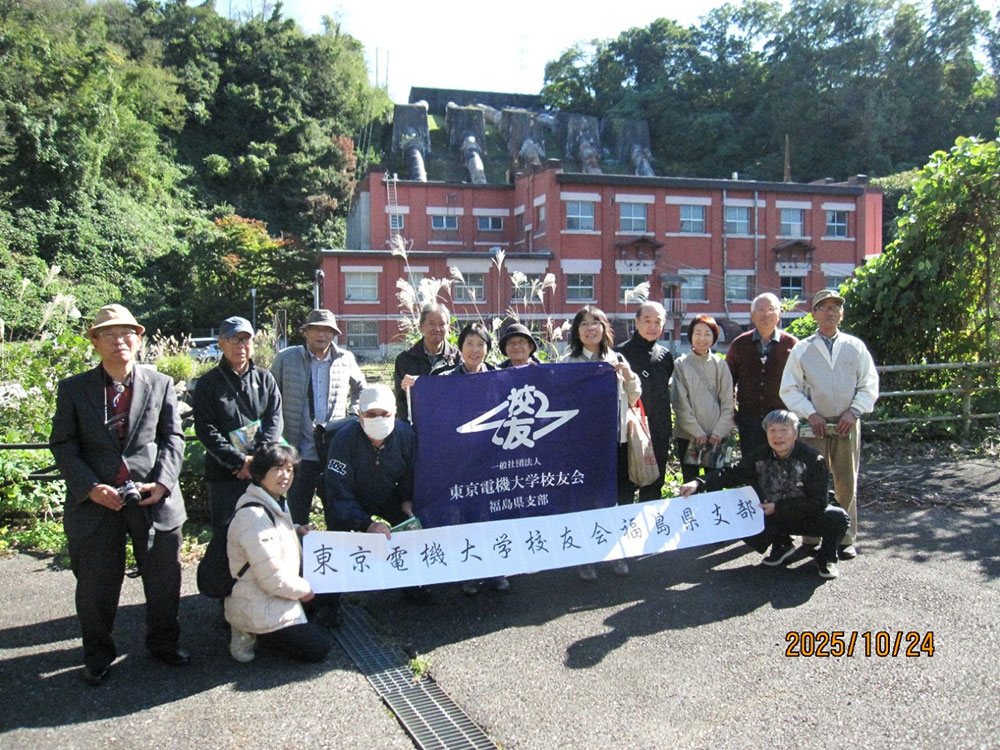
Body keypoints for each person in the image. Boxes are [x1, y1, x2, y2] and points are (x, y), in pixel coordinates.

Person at [50, 304, 188, 685]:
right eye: (108, 334)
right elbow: (63, 443)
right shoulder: (74, 389)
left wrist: (162, 482)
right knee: (95, 585)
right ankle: (97, 654)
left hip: (152, 497)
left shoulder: (159, 383)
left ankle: (164, 643)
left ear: (139, 339)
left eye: (127, 333)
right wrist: (90, 488)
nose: (119, 341)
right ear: (94, 342)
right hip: (97, 502)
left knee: (163, 580)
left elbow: (172, 437)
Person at [678, 410, 851, 579]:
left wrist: (779, 507)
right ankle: (782, 544)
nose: (778, 436)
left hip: (806, 515)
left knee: (837, 517)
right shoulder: (760, 455)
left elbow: (817, 503)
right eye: (772, 430)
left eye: (784, 430)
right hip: (772, 515)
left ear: (795, 433)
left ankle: (827, 557)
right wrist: (699, 483)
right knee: (744, 511)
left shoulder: (813, 459)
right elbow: (731, 474)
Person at [779, 289, 879, 559]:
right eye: (824, 307)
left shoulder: (854, 346)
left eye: (836, 307)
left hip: (847, 423)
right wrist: (810, 413)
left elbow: (869, 384)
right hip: (815, 426)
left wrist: (854, 412)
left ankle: (844, 538)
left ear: (842, 313)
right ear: (814, 313)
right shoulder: (802, 349)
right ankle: (811, 537)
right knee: (812, 481)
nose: (830, 312)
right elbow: (789, 389)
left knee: (846, 480)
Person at [226, 442, 332, 664]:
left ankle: (273, 631)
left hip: (273, 591)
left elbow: (272, 537)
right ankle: (247, 630)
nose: (285, 476)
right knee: (319, 648)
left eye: (289, 469)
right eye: (277, 469)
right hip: (260, 596)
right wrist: (305, 589)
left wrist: (297, 531)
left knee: (329, 601)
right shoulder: (252, 516)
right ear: (260, 473)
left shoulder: (271, 500)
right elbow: (272, 579)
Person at [325, 385, 431, 603]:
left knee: (410, 526)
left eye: (385, 414)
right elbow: (338, 492)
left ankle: (412, 583)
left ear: (395, 414)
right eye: (371, 414)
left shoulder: (405, 435)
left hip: (387, 494)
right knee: (336, 535)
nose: (378, 419)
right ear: (360, 416)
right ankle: (330, 600)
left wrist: (406, 498)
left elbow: (411, 472)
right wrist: (367, 524)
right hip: (351, 497)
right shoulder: (343, 440)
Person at [561, 305, 641, 579]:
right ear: (577, 331)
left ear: (604, 328)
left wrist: (627, 376)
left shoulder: (616, 358)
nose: (590, 328)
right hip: (583, 444)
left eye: (596, 322)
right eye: (584, 324)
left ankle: (617, 553)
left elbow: (633, 398)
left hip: (614, 441)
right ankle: (586, 557)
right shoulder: (568, 363)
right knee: (586, 500)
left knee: (617, 498)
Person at [270, 309, 366, 526]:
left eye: (327, 330)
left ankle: (336, 552)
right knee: (297, 511)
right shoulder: (286, 358)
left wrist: (352, 414)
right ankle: (300, 555)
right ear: (306, 332)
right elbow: (270, 395)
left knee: (336, 509)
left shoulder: (345, 359)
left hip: (333, 447)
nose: (321, 335)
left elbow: (361, 388)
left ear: (334, 334)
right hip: (297, 449)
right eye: (316, 329)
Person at [432, 325, 509, 593]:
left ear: (488, 349)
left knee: (493, 513)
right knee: (463, 514)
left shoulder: (500, 378)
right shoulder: (444, 378)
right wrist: (413, 385)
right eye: (469, 344)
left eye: (481, 345)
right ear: (460, 347)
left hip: (492, 458)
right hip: (459, 460)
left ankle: (497, 568)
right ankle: (468, 570)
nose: (475, 350)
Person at [192, 316, 283, 531]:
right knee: (227, 535)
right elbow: (206, 429)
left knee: (266, 532)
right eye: (234, 339)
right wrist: (239, 462)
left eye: (245, 339)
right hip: (225, 475)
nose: (240, 346)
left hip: (262, 473)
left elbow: (274, 420)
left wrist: (257, 462)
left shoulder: (265, 379)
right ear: (221, 343)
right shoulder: (208, 383)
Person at [726, 293, 798, 458]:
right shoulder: (739, 344)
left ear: (779, 314)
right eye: (760, 310)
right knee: (752, 466)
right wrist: (733, 412)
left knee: (782, 465)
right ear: (752, 315)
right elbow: (727, 381)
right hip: (749, 420)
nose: (766, 314)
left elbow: (802, 382)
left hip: (782, 421)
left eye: (771, 309)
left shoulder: (792, 344)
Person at [615, 301, 674, 500]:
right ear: (636, 322)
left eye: (657, 322)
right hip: (629, 430)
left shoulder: (665, 356)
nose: (652, 326)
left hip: (658, 430)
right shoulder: (620, 354)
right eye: (647, 321)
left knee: (654, 484)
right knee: (625, 484)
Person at [671, 315, 736, 483]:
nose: (702, 338)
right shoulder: (680, 364)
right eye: (697, 333)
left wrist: (718, 432)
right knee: (690, 485)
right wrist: (697, 432)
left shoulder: (720, 365)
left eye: (707, 334)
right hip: (689, 436)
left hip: (717, 437)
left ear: (714, 337)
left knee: (715, 483)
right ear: (690, 335)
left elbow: (728, 402)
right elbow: (680, 404)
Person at [394, 303, 458, 420]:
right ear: (421, 326)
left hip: (450, 422)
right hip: (418, 424)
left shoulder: (458, 358)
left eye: (442, 324)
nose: (437, 329)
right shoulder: (405, 359)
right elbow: (401, 402)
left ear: (449, 328)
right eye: (431, 324)